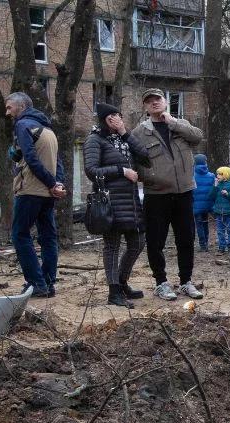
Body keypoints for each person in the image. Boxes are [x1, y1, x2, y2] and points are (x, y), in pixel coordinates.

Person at [131, 88, 205, 301]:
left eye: (158, 99)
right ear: (145, 107)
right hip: (157, 195)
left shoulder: (180, 125)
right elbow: (134, 163)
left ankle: (185, 282)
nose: (154, 103)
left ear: (165, 102)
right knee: (156, 241)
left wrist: (172, 122)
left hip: (184, 193)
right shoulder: (139, 133)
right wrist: (149, 176)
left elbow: (198, 137)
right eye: (149, 101)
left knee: (186, 239)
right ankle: (161, 283)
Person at [83, 102, 150, 307]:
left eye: (120, 116)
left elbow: (146, 158)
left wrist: (124, 132)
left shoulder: (124, 139)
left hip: (131, 202)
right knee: (112, 246)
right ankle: (114, 292)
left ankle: (121, 282)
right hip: (110, 202)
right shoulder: (94, 140)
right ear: (107, 119)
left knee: (138, 243)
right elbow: (91, 171)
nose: (120, 119)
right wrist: (121, 171)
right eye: (116, 116)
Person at [6, 91, 65, 298]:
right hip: (48, 194)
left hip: (30, 190)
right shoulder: (48, 129)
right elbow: (58, 161)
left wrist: (50, 183)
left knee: (20, 235)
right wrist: (57, 184)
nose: (7, 112)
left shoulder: (22, 125)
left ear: (21, 107)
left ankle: (36, 283)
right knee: (48, 237)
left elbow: (30, 158)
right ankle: (48, 283)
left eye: (9, 107)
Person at [210, 166, 230, 253]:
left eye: (220, 174)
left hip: (229, 212)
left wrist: (228, 194)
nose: (218, 176)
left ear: (226, 175)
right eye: (217, 174)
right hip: (219, 212)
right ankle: (221, 247)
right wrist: (215, 187)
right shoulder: (217, 185)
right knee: (220, 231)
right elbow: (211, 197)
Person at [192, 154, 216, 252]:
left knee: (199, 224)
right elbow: (214, 189)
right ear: (205, 162)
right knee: (206, 223)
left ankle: (202, 245)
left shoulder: (191, 176)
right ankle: (206, 241)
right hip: (208, 204)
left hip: (196, 204)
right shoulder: (211, 175)